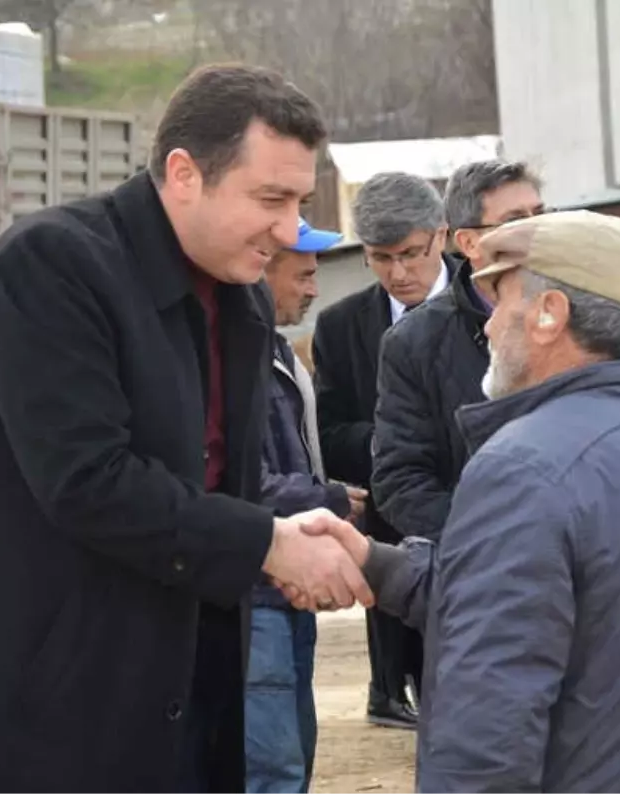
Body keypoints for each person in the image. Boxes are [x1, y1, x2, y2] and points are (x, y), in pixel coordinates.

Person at [0, 64, 373, 794]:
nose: (290, 226)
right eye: (270, 198)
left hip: (175, 683)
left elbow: (210, 485)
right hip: (26, 698)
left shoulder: (241, 298)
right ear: (182, 174)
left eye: (299, 199)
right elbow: (88, 481)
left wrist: (276, 546)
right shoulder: (52, 267)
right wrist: (269, 545)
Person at [295, 210, 620, 792]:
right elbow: (560, 604)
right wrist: (378, 563)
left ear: (550, 313)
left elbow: (489, 718)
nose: (489, 326)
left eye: (501, 299)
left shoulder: (524, 465)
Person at [312, 172, 452, 729]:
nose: (399, 272)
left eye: (411, 254)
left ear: (441, 235)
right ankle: (391, 688)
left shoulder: (491, 303)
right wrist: (393, 442)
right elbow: (326, 433)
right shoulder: (341, 327)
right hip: (393, 515)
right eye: (380, 258)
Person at [247, 217, 366, 794]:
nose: (314, 288)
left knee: (293, 756)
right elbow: (242, 483)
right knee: (273, 770)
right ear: (260, 269)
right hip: (255, 596)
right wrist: (331, 500)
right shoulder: (236, 363)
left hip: (283, 593)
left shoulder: (274, 352)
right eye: (304, 274)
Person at [372, 159, 545, 541]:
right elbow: (400, 480)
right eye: (516, 219)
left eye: (541, 214)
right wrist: (485, 540)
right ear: (468, 242)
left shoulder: (576, 311)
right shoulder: (413, 343)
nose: (537, 230)